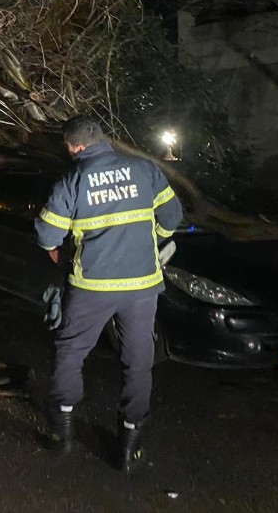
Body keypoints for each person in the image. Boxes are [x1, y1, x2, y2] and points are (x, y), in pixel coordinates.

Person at [35, 115, 182, 472]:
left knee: (70, 352)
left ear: (75, 146)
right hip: (142, 286)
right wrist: (149, 241)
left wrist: (60, 257)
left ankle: (63, 434)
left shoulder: (74, 178)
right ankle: (130, 447)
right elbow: (172, 217)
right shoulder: (144, 169)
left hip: (92, 288)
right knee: (138, 362)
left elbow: (46, 234)